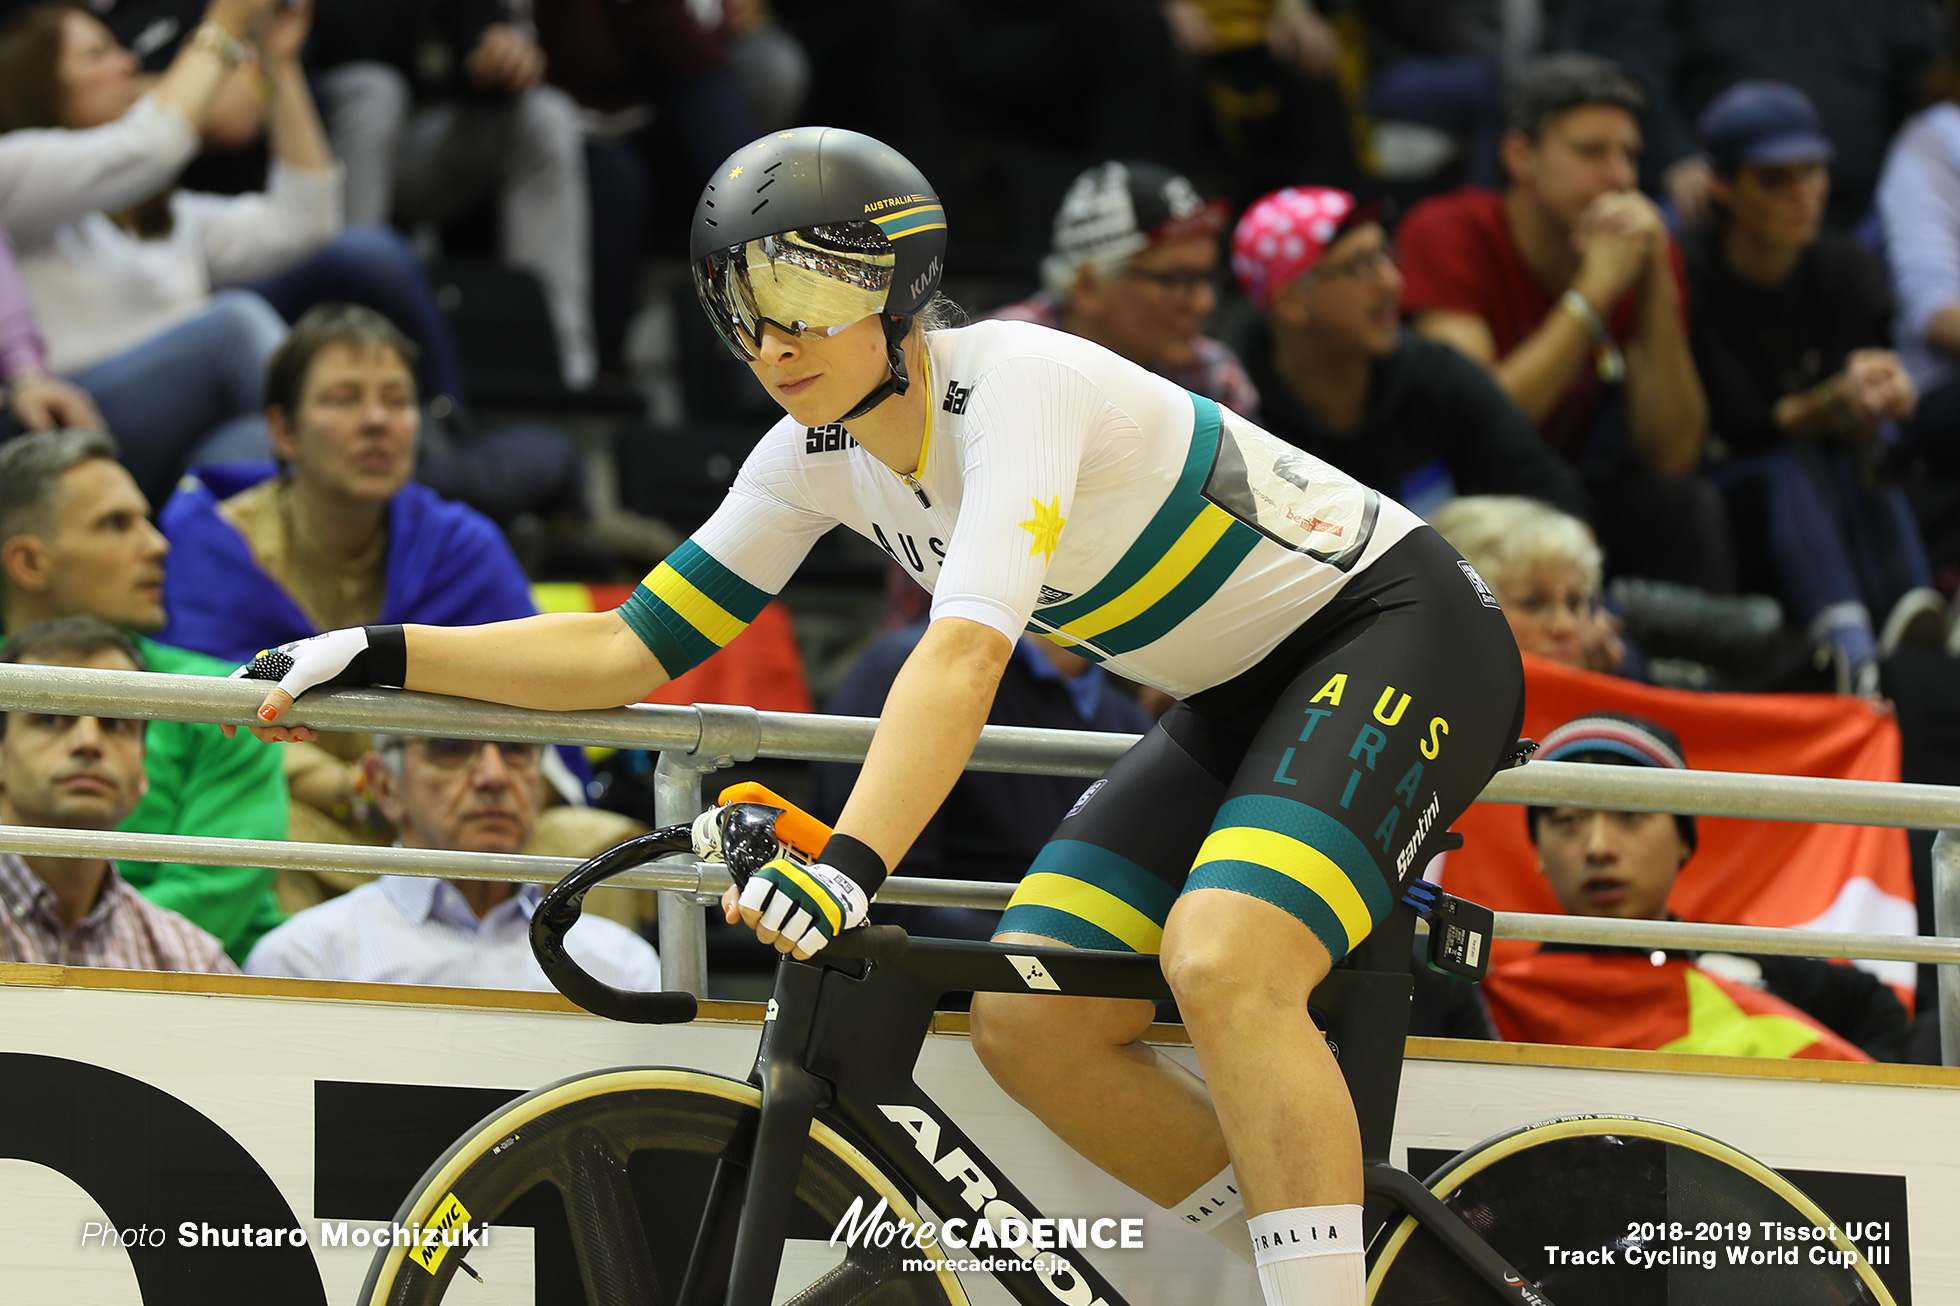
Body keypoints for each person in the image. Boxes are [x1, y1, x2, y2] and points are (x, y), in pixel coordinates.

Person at [233, 127, 1527, 1306]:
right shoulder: (810, 457)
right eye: (739, 307)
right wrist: (380, 650)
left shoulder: (1015, 382)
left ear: (903, 288)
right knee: (1037, 1021)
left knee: (1227, 960)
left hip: (1399, 631)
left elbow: (962, 654)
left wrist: (852, 864)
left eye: (803, 298)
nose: (772, 341)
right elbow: (625, 645)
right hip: (1241, 691)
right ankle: (1349, 1259)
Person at [154, 303, 585, 868]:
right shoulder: (210, 544)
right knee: (256, 841)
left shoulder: (461, 547)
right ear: (284, 431)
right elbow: (194, 725)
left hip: (449, 815)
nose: (378, 420)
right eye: (343, 399)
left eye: (398, 401)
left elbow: (545, 699)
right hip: (289, 806)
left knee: (592, 843)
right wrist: (352, 794)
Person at [1398, 54, 1729, 594]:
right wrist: (1593, 293)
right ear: (1519, 155)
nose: (1620, 177)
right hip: (1455, 491)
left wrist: (1655, 287)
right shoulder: (1447, 231)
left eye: (1629, 155)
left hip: (1570, 483)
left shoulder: (1634, 251)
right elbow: (1482, 423)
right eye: (1591, 152)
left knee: (1686, 505)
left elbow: (1672, 455)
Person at [0, 0, 342, 494]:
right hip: (68, 419)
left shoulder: (160, 211)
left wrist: (278, 64)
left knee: (246, 454)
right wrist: (224, 24)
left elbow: (304, 223)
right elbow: (154, 146)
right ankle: (383, 490)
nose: (128, 64)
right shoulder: (11, 172)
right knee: (234, 325)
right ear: (37, 85)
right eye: (97, 55)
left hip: (170, 438)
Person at [1685, 81, 1943, 696]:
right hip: (1735, 484)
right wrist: (1836, 399)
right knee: (1786, 463)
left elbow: (1852, 409)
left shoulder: (1845, 264)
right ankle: (1847, 640)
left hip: (1831, 470)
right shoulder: (1692, 272)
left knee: (1859, 452)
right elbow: (1736, 423)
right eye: (1775, 179)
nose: (1804, 194)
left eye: (1813, 172)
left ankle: (1915, 618)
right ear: (1723, 186)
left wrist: (1877, 398)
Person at [0, 429, 284, 959]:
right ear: (30, 563)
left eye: (115, 724)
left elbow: (219, 888)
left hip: (188, 986)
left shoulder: (228, 694)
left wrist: (85, 952)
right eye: (115, 524)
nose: (158, 544)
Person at [1487, 711, 1906, 1061]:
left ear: (1684, 842)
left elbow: (1875, 1008)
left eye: (1630, 815)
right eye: (1566, 822)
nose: (1598, 848)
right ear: (1538, 852)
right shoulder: (1499, 998)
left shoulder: (1750, 968)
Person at [1230, 184, 1587, 519]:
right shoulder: (1234, 412)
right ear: (1291, 302)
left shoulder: (1438, 376)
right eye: (1360, 265)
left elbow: (1555, 500)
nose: (1392, 282)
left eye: (1384, 255)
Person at [307, 0, 595, 387]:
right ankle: (348, 347)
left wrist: (495, 54)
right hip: (321, 141)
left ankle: (561, 364)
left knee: (548, 116)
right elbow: (326, 43)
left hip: (420, 146)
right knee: (376, 93)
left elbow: (470, 36)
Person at [810, 623, 1156, 941]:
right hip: (940, 977)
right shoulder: (905, 668)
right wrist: (1046, 954)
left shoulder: (1130, 718)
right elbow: (882, 893)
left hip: (1073, 965)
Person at [244, 732, 659, 989]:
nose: (494, 776)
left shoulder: (622, 965)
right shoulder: (305, 961)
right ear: (385, 786)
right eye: (450, 747)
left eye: (517, 748)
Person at [1559, 0, 1935, 229]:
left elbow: (1916, 74)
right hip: (1716, 189)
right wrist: (1674, 158)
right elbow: (1628, 57)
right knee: (1659, 230)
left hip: (1861, 198)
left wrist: (1904, 177)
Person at [0, 616, 238, 973]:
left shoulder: (190, 960)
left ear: (143, 766)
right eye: (49, 718)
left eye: (114, 723)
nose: (88, 743)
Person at [988, 159, 1260, 421]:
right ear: (1088, 287)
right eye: (1174, 280)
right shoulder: (997, 360)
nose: (1205, 303)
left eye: (1207, 277)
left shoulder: (1212, 380)